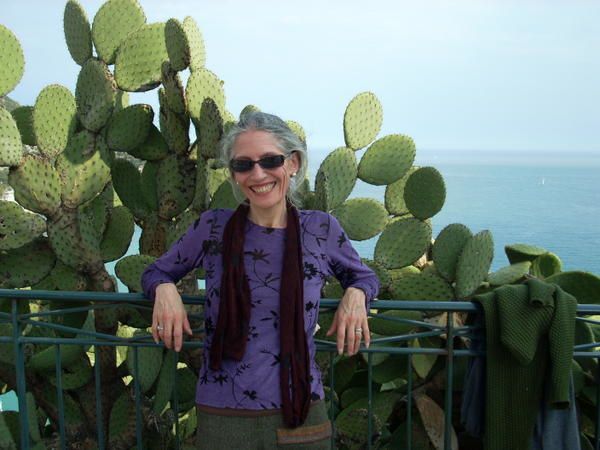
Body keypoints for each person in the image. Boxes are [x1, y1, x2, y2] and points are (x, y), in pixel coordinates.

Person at [141, 111, 379, 449]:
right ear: (234, 175)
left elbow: (365, 277)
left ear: (293, 163)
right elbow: (155, 271)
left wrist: (356, 296)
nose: (258, 173)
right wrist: (165, 289)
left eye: (270, 160)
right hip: (223, 414)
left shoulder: (320, 229)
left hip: (300, 410)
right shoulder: (213, 227)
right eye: (244, 164)